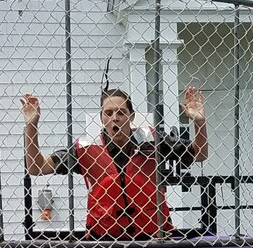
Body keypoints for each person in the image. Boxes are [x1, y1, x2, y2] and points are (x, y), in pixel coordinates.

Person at [21, 87, 208, 238]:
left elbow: (199, 154)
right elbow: (36, 167)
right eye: (108, 113)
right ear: (102, 118)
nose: (115, 118)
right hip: (104, 239)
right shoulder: (86, 148)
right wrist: (31, 125)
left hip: (153, 236)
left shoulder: (153, 141)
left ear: (131, 116)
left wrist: (199, 121)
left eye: (121, 112)